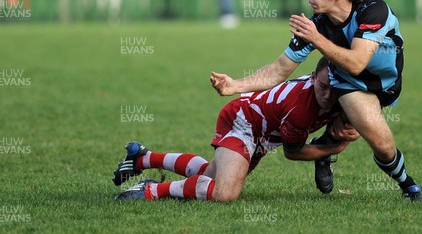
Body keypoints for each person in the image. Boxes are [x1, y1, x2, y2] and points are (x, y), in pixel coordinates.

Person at [210, 0, 422, 202]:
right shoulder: (316, 26)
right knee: (381, 142)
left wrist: (316, 38)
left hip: (386, 83)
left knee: (359, 137)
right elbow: (278, 70)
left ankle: (323, 150)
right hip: (349, 84)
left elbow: (357, 62)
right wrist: (236, 84)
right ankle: (408, 185)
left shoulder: (373, 10)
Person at [112, 57, 360, 201]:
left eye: (334, 89)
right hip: (244, 122)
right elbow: (293, 152)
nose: (328, 95)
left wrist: (353, 126)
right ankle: (150, 191)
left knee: (210, 176)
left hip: (262, 133)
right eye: (323, 86)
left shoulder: (342, 92)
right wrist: (334, 147)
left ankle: (142, 158)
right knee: (225, 192)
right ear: (314, 78)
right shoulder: (301, 109)